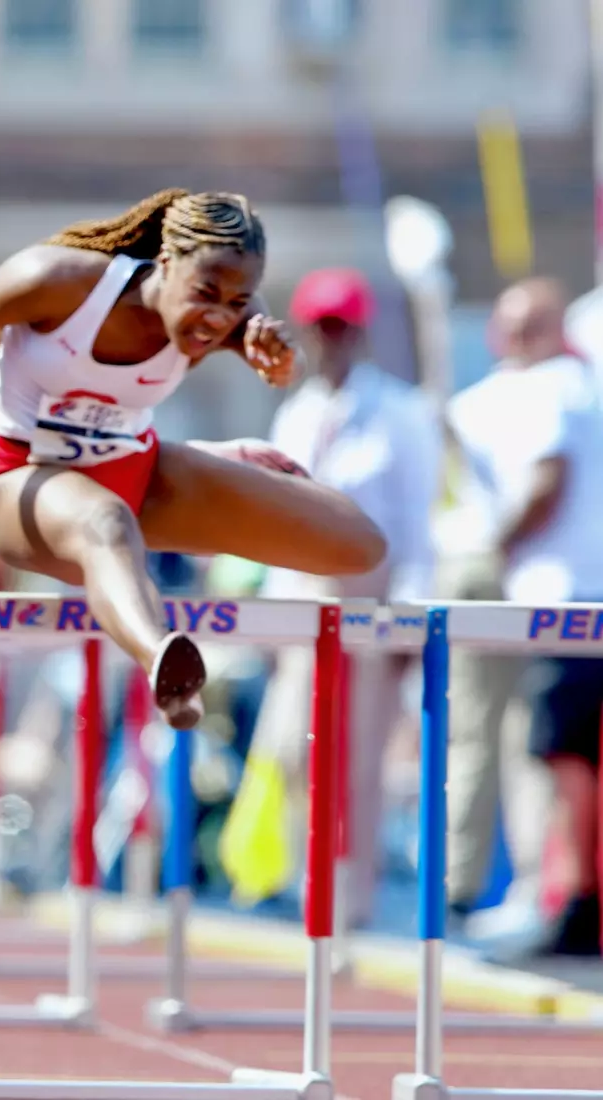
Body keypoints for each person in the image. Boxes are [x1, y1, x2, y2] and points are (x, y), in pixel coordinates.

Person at [0, 188, 388, 730]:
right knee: (102, 520)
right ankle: (164, 665)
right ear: (166, 264)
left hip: (136, 474)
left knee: (356, 544)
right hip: (23, 485)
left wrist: (276, 364)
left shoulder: (239, 321)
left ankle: (206, 460)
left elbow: (270, 360)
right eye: (206, 292)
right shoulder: (62, 282)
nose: (218, 317)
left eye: (238, 301)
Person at [245, 267, 443, 925]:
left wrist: (409, 618)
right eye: (321, 328)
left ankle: (349, 893)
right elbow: (276, 519)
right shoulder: (298, 413)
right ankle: (310, 878)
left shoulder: (399, 412)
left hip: (371, 597)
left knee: (358, 756)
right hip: (306, 596)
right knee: (297, 748)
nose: (331, 341)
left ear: (360, 333)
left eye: (342, 328)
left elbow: (418, 522)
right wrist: (273, 617)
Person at [445, 276, 603, 959]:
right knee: (561, 752)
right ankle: (564, 899)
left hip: (562, 599)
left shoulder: (554, 391)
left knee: (560, 755)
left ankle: (564, 900)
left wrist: (495, 546)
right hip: (567, 591)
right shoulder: (576, 386)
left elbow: (546, 480)